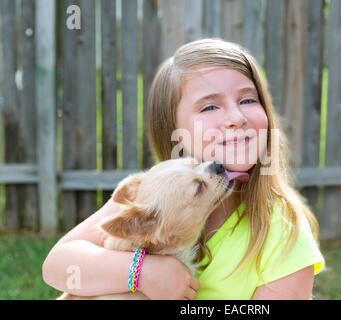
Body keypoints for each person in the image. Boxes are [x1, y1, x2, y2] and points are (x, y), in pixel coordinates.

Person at [42, 38, 324, 300]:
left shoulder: (282, 230)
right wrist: (141, 274)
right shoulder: (155, 199)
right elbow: (57, 265)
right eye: (210, 107)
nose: (236, 118)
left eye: (248, 100)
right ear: (174, 131)